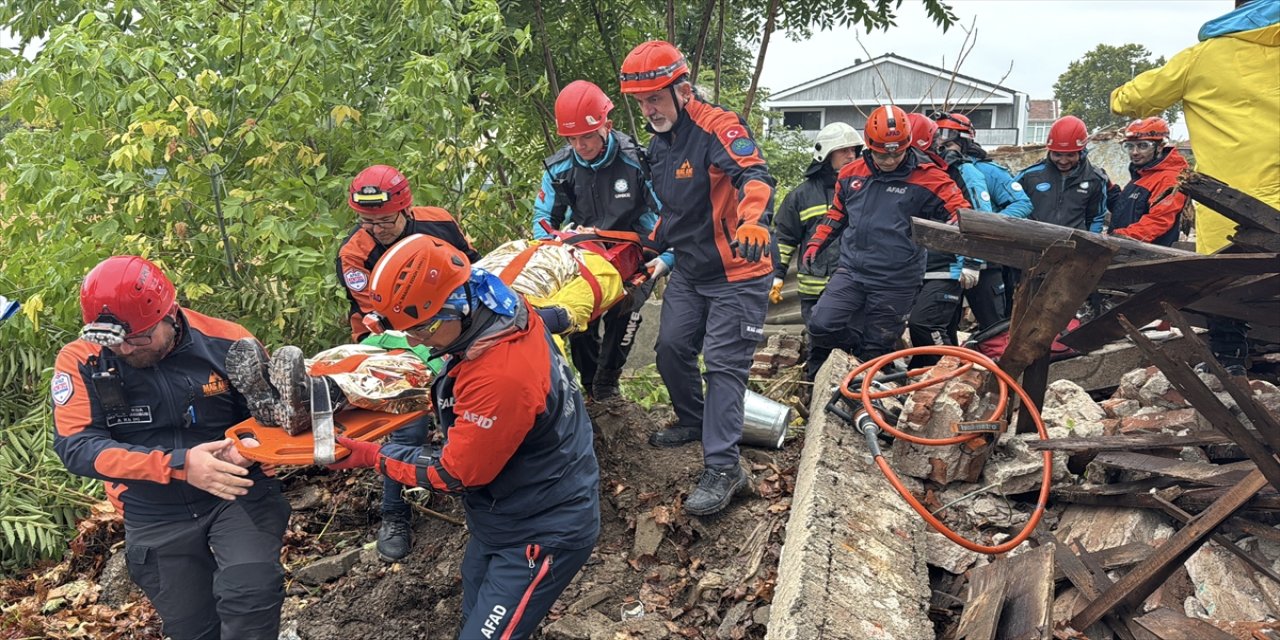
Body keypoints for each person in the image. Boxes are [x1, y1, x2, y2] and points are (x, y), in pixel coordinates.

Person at [328, 234, 600, 640]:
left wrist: (372, 456)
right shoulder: (496, 304)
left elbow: (455, 473)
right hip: (503, 516)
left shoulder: (500, 376)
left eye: (421, 329)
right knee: (473, 622)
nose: (416, 341)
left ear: (451, 308)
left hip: (542, 532)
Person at [52, 256, 289, 640]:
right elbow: (77, 446)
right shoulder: (82, 360)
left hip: (236, 492)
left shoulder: (227, 342)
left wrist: (246, 447)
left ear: (170, 313)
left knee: (251, 596)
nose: (126, 349)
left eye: (140, 337)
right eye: (114, 340)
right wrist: (177, 465)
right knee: (192, 628)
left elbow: (272, 419)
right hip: (152, 509)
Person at [618, 40, 774, 516]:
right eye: (642, 103)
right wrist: (647, 251)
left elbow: (756, 176)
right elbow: (674, 213)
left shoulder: (717, 126)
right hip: (690, 269)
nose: (649, 111)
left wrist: (752, 220)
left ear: (682, 89)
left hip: (739, 269)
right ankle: (693, 418)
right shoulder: (658, 146)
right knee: (670, 347)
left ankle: (725, 467)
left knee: (723, 366)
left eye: (656, 100)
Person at [1110, 0, 1279, 376]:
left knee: (1224, 282)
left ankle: (1230, 359)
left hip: (1231, 207)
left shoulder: (1202, 58)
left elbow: (1128, 100)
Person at [335, 164, 480, 562]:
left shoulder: (440, 224)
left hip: (452, 324)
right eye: (367, 222)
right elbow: (376, 317)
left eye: (384, 222)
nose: (376, 230)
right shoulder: (355, 253)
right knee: (407, 422)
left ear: (405, 210)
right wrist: (421, 352)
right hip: (387, 337)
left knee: (463, 410)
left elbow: (472, 270)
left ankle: (473, 487)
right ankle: (394, 514)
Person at [802, 105, 970, 379]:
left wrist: (956, 225)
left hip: (897, 279)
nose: (889, 160)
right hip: (853, 271)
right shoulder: (851, 174)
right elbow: (837, 213)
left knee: (876, 347)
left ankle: (871, 399)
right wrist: (816, 242)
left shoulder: (931, 177)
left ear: (907, 145)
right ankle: (843, 360)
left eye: (896, 153)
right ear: (869, 146)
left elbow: (960, 211)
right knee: (821, 323)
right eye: (882, 153)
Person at [534, 80, 671, 400]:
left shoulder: (636, 161)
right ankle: (589, 385)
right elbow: (543, 218)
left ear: (606, 126)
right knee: (577, 317)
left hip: (637, 249)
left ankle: (608, 383)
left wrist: (665, 256)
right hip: (585, 251)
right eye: (573, 138)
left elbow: (668, 212)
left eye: (587, 136)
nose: (581, 145)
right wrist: (550, 252)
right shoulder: (560, 167)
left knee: (625, 312)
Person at [904, 112, 991, 369]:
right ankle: (925, 380)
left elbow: (975, 218)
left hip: (948, 266)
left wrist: (972, 261)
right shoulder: (900, 176)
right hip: (917, 267)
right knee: (931, 335)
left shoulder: (960, 174)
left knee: (925, 325)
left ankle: (954, 372)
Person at [933, 111, 1031, 319]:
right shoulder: (939, 171)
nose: (943, 150)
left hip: (987, 259)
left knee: (993, 323)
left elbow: (1022, 203)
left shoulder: (986, 170)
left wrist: (991, 222)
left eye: (948, 144)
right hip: (952, 261)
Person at [770, 121, 863, 323]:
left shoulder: (865, 191)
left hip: (855, 287)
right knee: (818, 342)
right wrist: (776, 277)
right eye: (843, 150)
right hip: (814, 291)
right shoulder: (801, 196)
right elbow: (784, 241)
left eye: (854, 150)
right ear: (827, 154)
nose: (851, 156)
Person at [1015, 116, 1118, 233]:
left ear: (1082, 152)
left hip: (1074, 246)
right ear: (1050, 151)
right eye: (1057, 155)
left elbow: (1095, 218)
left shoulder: (1095, 179)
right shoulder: (1029, 176)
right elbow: (1008, 204)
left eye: (1070, 155)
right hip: (1033, 242)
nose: (1063, 161)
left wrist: (1090, 247)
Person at [1109, 117, 1189, 247]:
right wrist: (1109, 188)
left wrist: (1117, 238)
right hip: (1127, 250)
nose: (1134, 152)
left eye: (1143, 146)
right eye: (1129, 146)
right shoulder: (1142, 174)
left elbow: (1158, 221)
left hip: (1146, 256)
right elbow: (1125, 209)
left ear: (1160, 146)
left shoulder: (1170, 178)